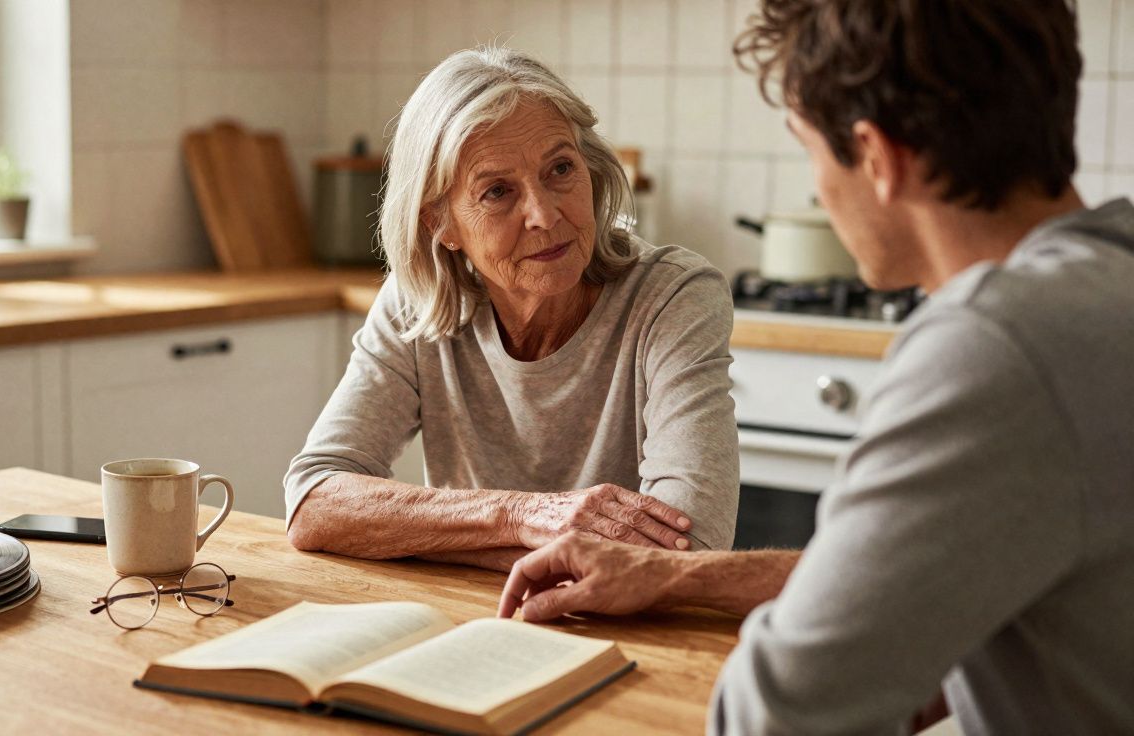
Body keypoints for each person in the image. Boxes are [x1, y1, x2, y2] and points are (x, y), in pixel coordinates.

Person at [499, 1, 1134, 733]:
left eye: (809, 149)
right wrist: (674, 576)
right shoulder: (1106, 286)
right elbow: (909, 596)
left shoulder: (993, 350)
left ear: (875, 157)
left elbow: (777, 717)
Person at [283, 48, 740, 572]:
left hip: (632, 630)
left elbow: (690, 545)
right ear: (440, 223)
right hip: (467, 618)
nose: (544, 215)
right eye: (497, 192)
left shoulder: (673, 297)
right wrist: (517, 515)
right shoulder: (419, 305)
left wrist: (440, 536)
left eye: (560, 169)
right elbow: (314, 501)